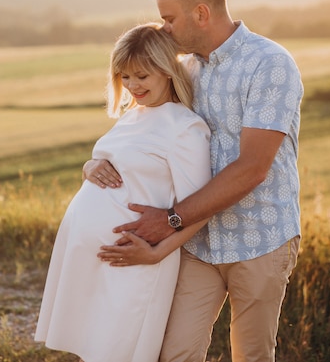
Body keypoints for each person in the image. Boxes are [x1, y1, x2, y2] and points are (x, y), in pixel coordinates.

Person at [93, 0, 303, 362]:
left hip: (260, 237)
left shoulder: (269, 64)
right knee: (175, 353)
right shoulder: (185, 69)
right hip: (199, 243)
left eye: (169, 19)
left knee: (252, 356)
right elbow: (143, 132)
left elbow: (252, 168)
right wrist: (95, 162)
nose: (164, 29)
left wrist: (170, 218)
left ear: (201, 14)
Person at [34, 22, 212, 362]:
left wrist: (156, 254)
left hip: (138, 260)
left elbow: (199, 209)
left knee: (119, 351)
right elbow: (119, 166)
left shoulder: (185, 127)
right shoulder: (134, 115)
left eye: (142, 76)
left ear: (166, 71)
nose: (132, 86)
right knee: (94, 349)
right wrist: (89, 166)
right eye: (124, 77)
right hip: (97, 260)